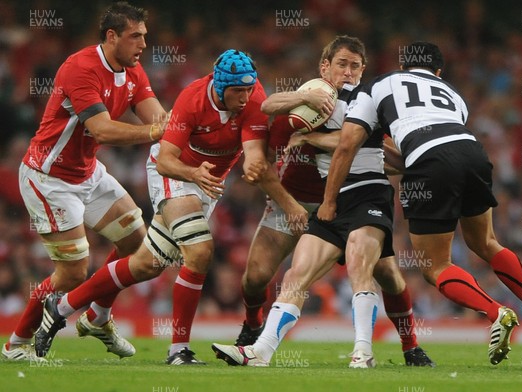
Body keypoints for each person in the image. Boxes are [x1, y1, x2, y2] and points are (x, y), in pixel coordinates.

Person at [33, 48, 308, 365]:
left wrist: (255, 166)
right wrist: (194, 173)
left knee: (147, 264)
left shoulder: (254, 98)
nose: (245, 97)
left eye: (249, 89)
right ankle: (178, 350)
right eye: (237, 91)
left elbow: (254, 155)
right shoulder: (191, 100)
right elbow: (164, 160)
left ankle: (63, 306)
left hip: (208, 184)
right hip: (176, 175)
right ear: (219, 87)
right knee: (201, 250)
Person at [316, 41, 522, 365]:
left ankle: (497, 312)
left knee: (436, 266)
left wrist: (328, 200)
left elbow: (348, 145)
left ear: (404, 68)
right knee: (487, 242)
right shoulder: (452, 94)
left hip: (427, 163)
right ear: (437, 71)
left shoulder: (378, 86)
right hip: (473, 153)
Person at [212, 35, 421, 369]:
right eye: (341, 64)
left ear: (363, 69)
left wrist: (312, 138)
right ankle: (255, 338)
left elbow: (368, 148)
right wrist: (304, 96)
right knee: (260, 277)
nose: (348, 72)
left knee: (387, 277)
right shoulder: (300, 105)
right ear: (325, 66)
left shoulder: (364, 102)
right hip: (295, 201)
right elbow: (267, 108)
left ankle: (406, 347)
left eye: (355, 66)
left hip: (353, 198)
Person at [2, 1, 168, 363]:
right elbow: (103, 129)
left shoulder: (134, 70)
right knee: (73, 272)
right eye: (134, 36)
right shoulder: (81, 68)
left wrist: (170, 130)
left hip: (88, 173)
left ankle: (98, 317)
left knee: (137, 246)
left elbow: (158, 119)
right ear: (111, 36)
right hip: (49, 178)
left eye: (144, 36)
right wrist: (155, 131)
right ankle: (15, 345)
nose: (142, 44)